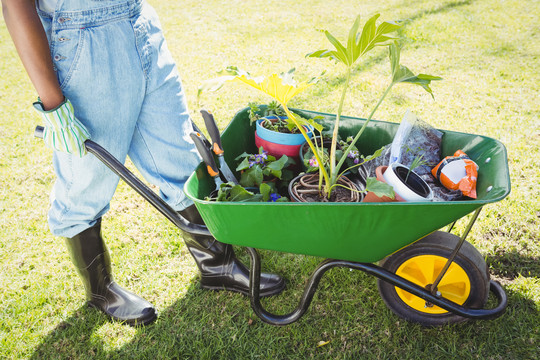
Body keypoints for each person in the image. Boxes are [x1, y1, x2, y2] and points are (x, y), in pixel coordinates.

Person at [2, 0, 285, 326]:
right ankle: (100, 289)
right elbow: (14, 5)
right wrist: (54, 104)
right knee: (87, 180)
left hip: (138, 22)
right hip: (83, 44)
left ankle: (217, 265)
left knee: (181, 157)